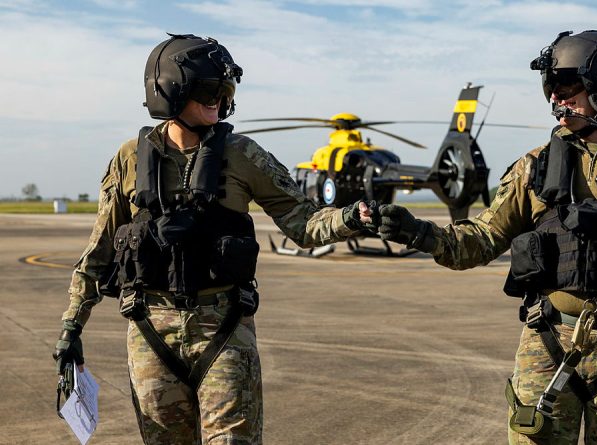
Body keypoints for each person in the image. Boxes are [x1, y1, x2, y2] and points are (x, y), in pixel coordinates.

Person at [373, 30, 597, 444]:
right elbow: (480, 240)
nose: (557, 99)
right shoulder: (534, 167)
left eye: (570, 86)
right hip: (546, 341)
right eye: (553, 88)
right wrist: (419, 233)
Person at [52, 33, 372, 445]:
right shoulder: (130, 159)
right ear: (169, 90)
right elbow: (98, 252)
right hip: (150, 333)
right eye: (209, 89)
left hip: (223, 329)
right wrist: (71, 327)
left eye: (226, 90)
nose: (219, 100)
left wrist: (351, 217)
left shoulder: (243, 155)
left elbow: (304, 223)